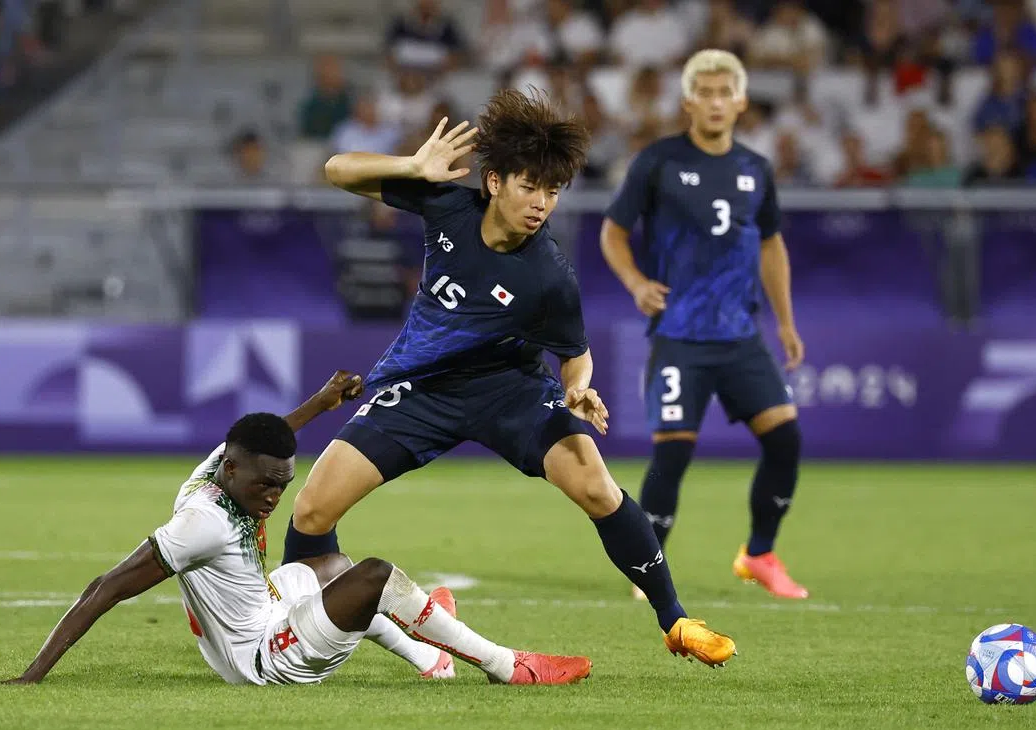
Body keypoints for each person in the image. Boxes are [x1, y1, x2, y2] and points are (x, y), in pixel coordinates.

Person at [281, 89, 737, 669]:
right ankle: (296, 627)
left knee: (596, 486)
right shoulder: (446, 205)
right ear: (494, 182)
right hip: (424, 390)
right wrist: (411, 166)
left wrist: (577, 388)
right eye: (530, 186)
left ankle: (675, 620)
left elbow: (575, 354)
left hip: (510, 392)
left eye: (553, 191)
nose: (541, 203)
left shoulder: (549, 277)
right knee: (312, 510)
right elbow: (337, 169)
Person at [0, 372, 591, 686]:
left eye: (282, 485)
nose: (274, 498)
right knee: (375, 576)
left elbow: (268, 436)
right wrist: (33, 675)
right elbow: (105, 588)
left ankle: (430, 657)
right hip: (262, 660)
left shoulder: (219, 467)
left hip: (258, 613)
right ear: (233, 471)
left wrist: (320, 403)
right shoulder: (201, 524)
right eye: (265, 487)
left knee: (332, 567)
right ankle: (504, 665)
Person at [599, 50, 809, 601]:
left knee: (785, 439)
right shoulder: (658, 162)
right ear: (688, 102)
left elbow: (771, 245)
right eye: (706, 93)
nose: (716, 103)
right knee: (672, 453)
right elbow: (613, 232)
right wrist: (636, 283)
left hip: (740, 335)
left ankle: (759, 554)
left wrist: (786, 322)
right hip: (680, 336)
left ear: (741, 102)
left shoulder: (755, 169)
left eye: (725, 93)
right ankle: (647, 569)